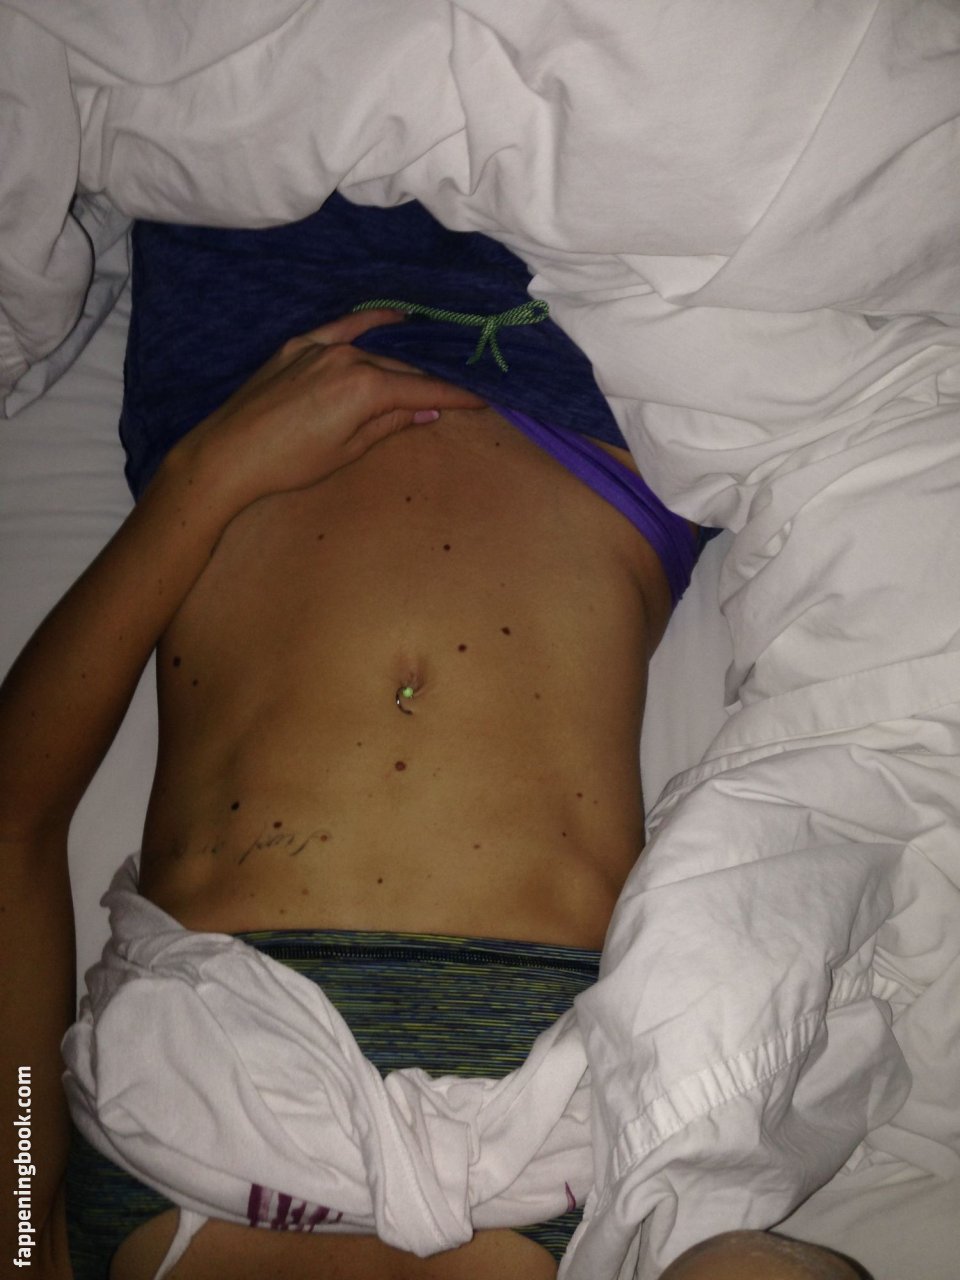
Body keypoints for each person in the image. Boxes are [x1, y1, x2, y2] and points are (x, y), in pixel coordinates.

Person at [0, 200, 865, 1280]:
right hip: (604, 395)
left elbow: (11, 822)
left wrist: (204, 479)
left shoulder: (29, 1243)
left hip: (258, 373)